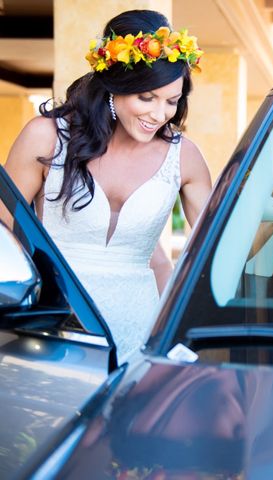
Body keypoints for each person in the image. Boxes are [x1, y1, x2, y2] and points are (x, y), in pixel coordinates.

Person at [3, 10, 212, 361]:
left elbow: (220, 242)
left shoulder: (185, 157)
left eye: (172, 101)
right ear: (115, 85)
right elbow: (2, 235)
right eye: (147, 98)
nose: (160, 114)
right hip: (54, 329)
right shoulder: (47, 137)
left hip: (141, 334)